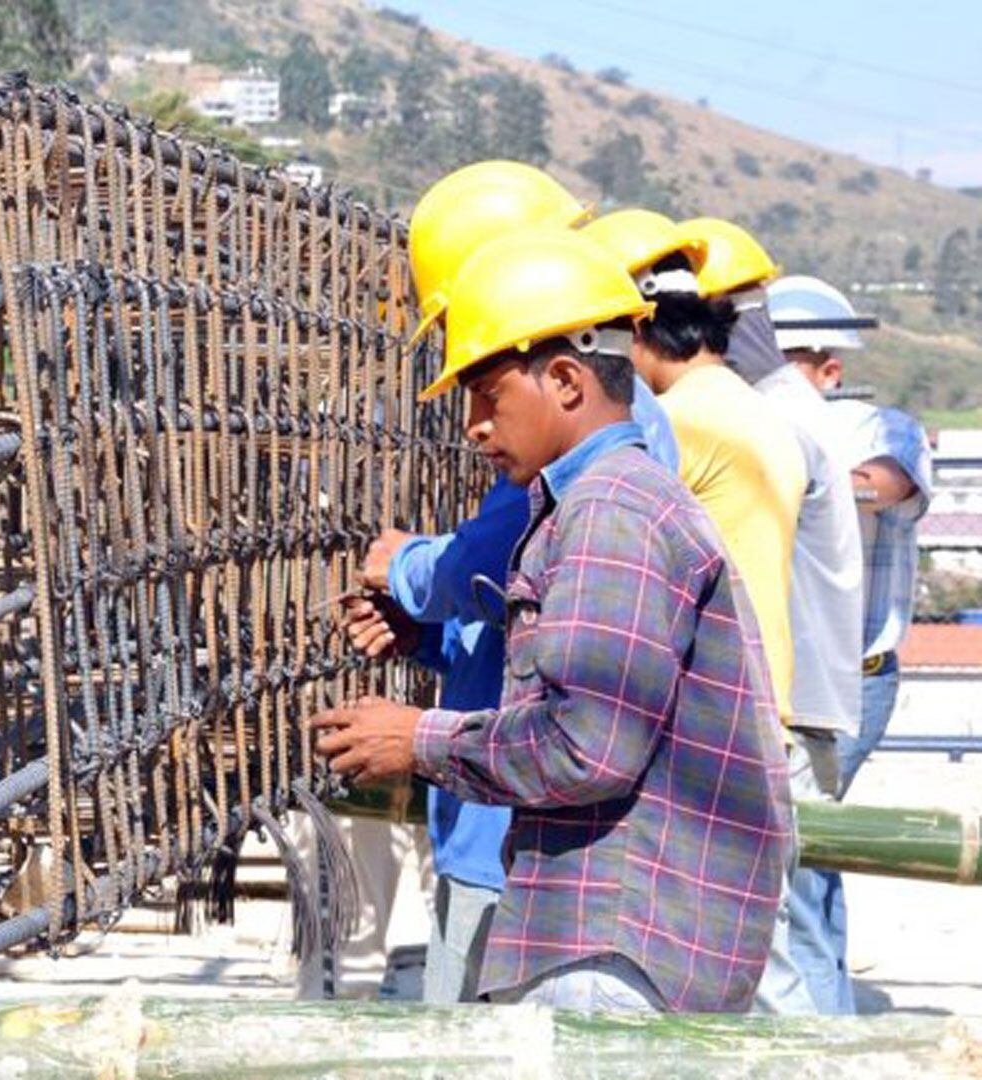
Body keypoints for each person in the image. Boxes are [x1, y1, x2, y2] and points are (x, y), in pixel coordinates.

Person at [313, 228, 793, 1013]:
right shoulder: (598, 501)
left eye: (487, 395)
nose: (472, 424)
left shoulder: (610, 511)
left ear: (566, 380)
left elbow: (584, 746)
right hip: (607, 929)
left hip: (615, 944)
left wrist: (416, 737)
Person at [345, 165, 682, 1006]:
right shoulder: (591, 458)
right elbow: (527, 629)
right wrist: (429, 641)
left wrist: (409, 565)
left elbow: (486, 578)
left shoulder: (601, 486)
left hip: (524, 837)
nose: (474, 425)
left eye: (485, 389)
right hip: (505, 816)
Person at [595, 215, 857, 1014]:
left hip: (722, 716)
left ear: (637, 332)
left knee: (763, 969)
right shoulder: (747, 408)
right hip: (762, 699)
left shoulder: (683, 422)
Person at [773, 273, 936, 1014]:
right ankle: (825, 1003)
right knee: (813, 843)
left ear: (828, 368)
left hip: (854, 676)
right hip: (793, 671)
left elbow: (889, 481)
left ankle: (816, 1017)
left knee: (801, 846)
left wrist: (795, 472)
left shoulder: (880, 427)